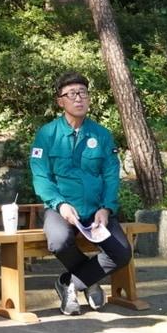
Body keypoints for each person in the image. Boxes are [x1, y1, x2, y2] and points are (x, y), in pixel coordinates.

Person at [28, 72, 131, 315]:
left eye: (83, 93)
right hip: (60, 209)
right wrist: (60, 204)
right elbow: (41, 176)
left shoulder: (101, 135)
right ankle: (91, 281)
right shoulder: (47, 134)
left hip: (96, 210)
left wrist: (106, 207)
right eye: (71, 94)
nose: (78, 98)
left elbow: (110, 174)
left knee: (121, 253)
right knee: (58, 240)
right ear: (60, 101)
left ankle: (69, 283)